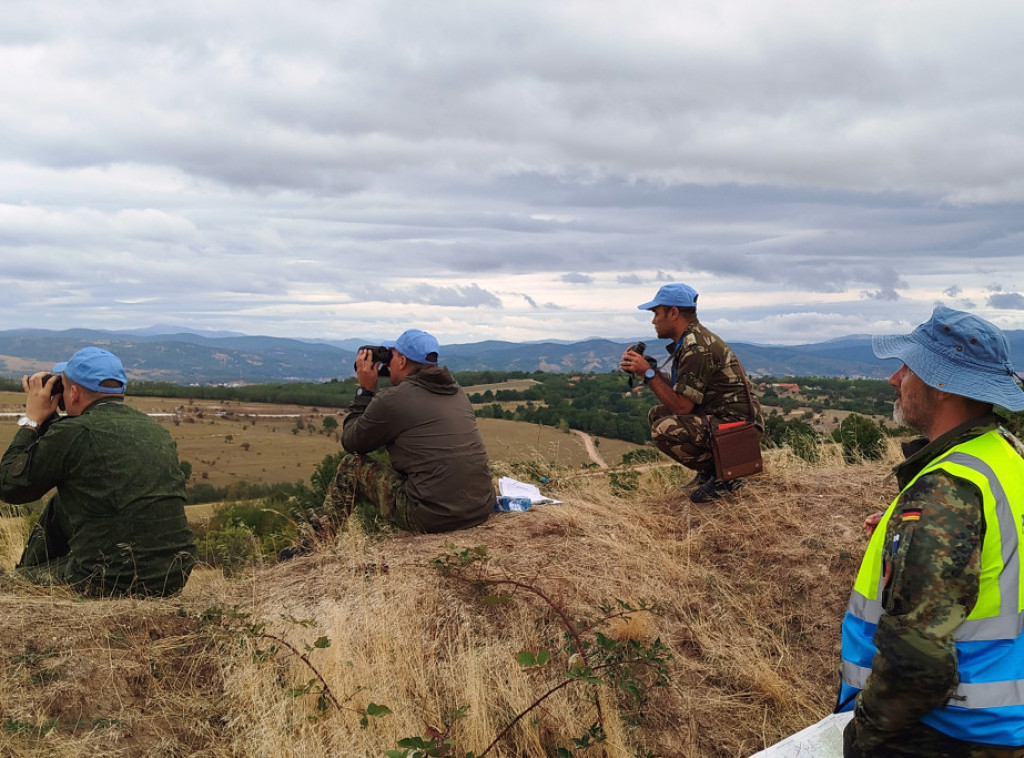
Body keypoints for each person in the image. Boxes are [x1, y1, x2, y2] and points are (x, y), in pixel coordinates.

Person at [837, 306, 1024, 757]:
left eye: (907, 367)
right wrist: (907, 546)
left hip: (952, 731)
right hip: (1002, 718)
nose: (894, 379)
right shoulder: (1003, 455)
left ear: (940, 384)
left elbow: (917, 662)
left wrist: (865, 736)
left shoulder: (947, 490)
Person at [0, 347, 197, 597]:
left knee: (6, 584)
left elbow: (9, 486)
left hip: (108, 579)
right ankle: (29, 576)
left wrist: (32, 420)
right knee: (61, 504)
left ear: (72, 392)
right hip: (174, 574)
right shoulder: (155, 429)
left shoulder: (75, 433)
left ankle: (20, 585)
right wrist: (49, 420)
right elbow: (74, 442)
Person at [321, 328, 494, 533]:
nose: (389, 363)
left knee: (352, 467)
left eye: (391, 356)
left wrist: (365, 391)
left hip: (431, 518)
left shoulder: (394, 400)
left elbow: (352, 442)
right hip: (481, 508)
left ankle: (315, 542)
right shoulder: (457, 392)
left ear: (402, 362)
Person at [620, 283, 763, 503]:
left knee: (664, 429)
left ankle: (727, 476)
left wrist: (649, 374)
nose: (653, 321)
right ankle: (710, 472)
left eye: (657, 313)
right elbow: (682, 394)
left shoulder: (696, 347)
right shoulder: (690, 341)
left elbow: (682, 406)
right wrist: (650, 370)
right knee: (657, 414)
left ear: (674, 313)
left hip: (737, 427)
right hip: (723, 418)